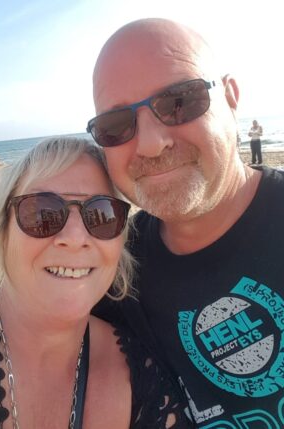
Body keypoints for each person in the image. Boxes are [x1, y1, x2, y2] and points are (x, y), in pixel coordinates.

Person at [0, 137, 191, 428]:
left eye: (101, 214)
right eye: (42, 212)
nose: (74, 238)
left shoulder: (143, 376)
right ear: (3, 233)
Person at [87, 18, 284, 428]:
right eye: (116, 126)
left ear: (230, 97)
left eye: (179, 101)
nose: (151, 143)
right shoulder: (113, 271)